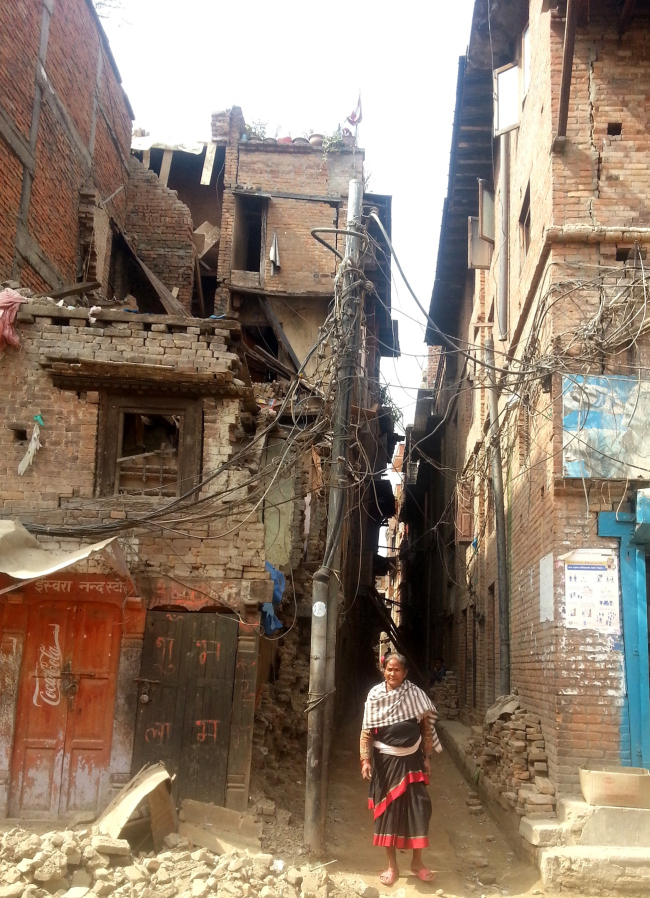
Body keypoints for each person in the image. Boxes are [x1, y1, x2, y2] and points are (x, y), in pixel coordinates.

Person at [360, 653, 442, 886]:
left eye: (397, 670)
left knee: (419, 809)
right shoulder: (375, 695)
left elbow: (425, 727)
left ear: (405, 673)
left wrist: (427, 756)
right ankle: (392, 866)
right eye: (389, 669)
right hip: (385, 763)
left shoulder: (415, 695)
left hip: (413, 760)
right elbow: (366, 730)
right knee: (389, 813)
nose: (392, 673)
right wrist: (365, 759)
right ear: (383, 671)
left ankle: (417, 863)